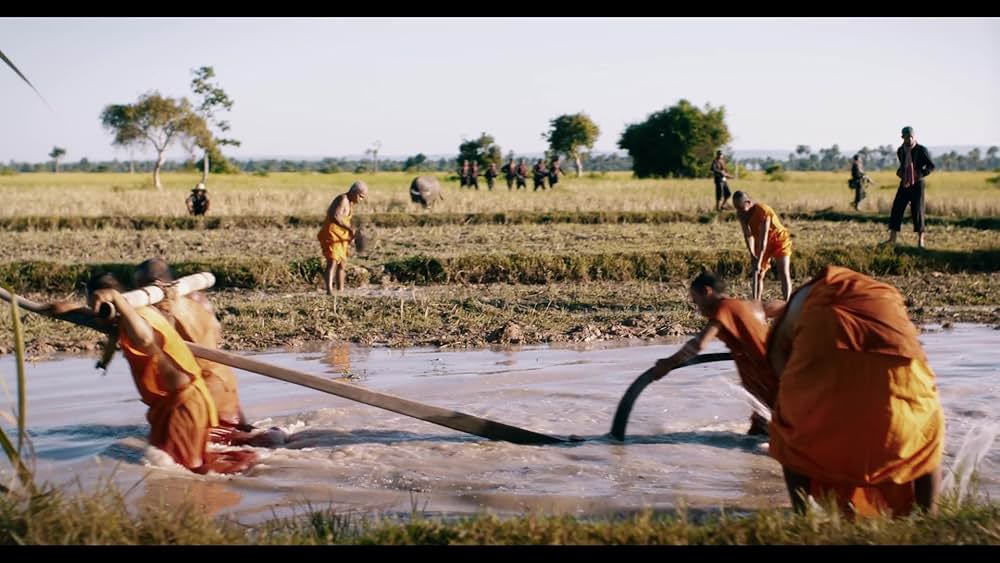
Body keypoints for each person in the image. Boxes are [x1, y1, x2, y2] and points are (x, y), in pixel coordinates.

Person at [766, 265, 944, 518]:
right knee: (927, 430)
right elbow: (915, 353)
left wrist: (800, 405)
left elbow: (776, 358)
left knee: (789, 432)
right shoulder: (884, 295)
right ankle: (930, 517)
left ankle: (802, 517)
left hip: (824, 348)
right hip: (897, 368)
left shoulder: (802, 301)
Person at [63, 273, 257, 474]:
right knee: (187, 465)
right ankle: (247, 459)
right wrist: (62, 310)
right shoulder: (142, 313)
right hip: (186, 398)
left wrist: (115, 298)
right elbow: (114, 329)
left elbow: (145, 339)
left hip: (182, 404)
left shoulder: (139, 321)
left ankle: (247, 467)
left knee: (184, 473)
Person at [131, 258, 284, 448]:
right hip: (225, 385)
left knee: (228, 446)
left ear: (151, 286)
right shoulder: (198, 300)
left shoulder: (163, 309)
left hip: (206, 399)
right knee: (243, 434)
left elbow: (156, 343)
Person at [649, 272, 779, 435]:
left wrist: (668, 363)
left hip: (771, 384)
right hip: (771, 383)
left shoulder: (724, 309)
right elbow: (779, 306)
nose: (698, 309)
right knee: (761, 433)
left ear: (706, 292)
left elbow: (699, 344)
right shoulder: (744, 306)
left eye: (696, 301)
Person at [733, 191, 793, 301]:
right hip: (759, 241)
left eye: (741, 208)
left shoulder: (763, 211)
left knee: (783, 272)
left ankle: (787, 303)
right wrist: (752, 255)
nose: (740, 211)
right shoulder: (741, 214)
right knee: (759, 274)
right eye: (736, 208)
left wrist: (759, 261)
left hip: (778, 239)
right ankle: (757, 303)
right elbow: (748, 235)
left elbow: (763, 240)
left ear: (748, 202)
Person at [887, 126, 935, 248]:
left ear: (914, 136)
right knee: (896, 209)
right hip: (904, 183)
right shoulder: (900, 151)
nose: (908, 139)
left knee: (917, 211)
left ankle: (921, 241)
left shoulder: (921, 150)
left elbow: (931, 166)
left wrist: (920, 173)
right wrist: (900, 172)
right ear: (902, 137)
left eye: (911, 137)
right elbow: (903, 165)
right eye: (906, 137)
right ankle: (892, 239)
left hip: (917, 184)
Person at [317, 181, 368, 294]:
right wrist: (350, 229)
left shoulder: (350, 203)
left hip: (341, 235)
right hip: (332, 234)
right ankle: (329, 291)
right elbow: (334, 216)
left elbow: (345, 220)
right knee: (333, 261)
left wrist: (352, 233)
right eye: (360, 196)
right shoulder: (342, 199)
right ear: (353, 192)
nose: (361, 200)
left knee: (342, 264)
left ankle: (341, 290)